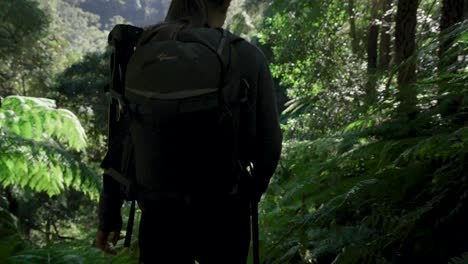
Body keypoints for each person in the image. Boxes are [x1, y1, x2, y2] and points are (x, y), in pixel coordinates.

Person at [96, 0, 282, 263]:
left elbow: (121, 139)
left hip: (158, 214)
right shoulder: (245, 55)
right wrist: (245, 199)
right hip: (224, 214)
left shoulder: (139, 51)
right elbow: (270, 149)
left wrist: (109, 214)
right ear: (219, 7)